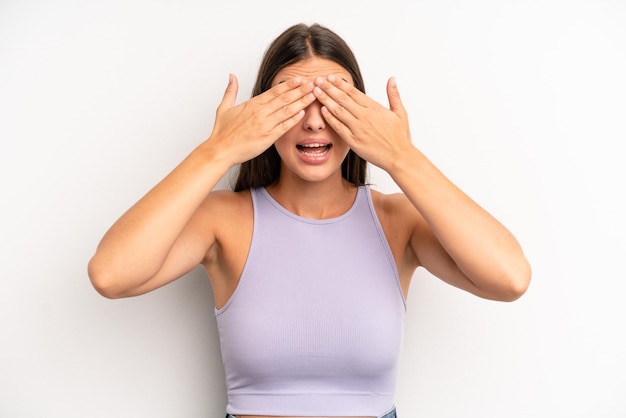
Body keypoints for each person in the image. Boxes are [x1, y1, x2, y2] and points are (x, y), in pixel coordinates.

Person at [88, 23, 531, 418]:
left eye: (335, 99)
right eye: (293, 100)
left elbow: (509, 278)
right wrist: (217, 150)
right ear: (263, 112)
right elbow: (111, 274)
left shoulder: (397, 220)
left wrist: (402, 156)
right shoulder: (224, 219)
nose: (315, 121)